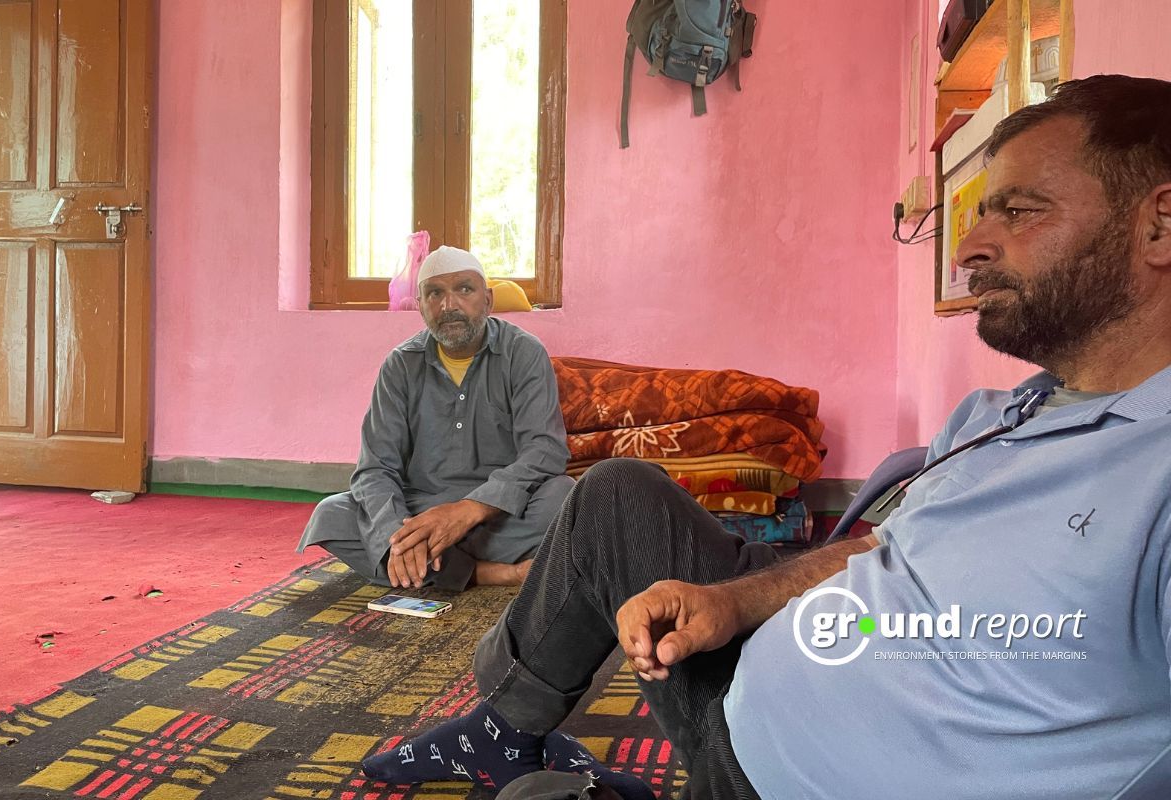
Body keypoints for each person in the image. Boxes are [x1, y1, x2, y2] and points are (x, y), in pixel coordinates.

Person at [360, 74, 1171, 799]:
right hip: (749, 682)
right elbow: (879, 554)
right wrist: (731, 602)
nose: (968, 247)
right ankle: (507, 727)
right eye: (981, 212)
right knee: (614, 493)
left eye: (1020, 212)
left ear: (1160, 225)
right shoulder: (996, 416)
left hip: (777, 776)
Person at [298, 246, 573, 591]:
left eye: (464, 289)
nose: (449, 305)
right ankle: (493, 572)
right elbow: (375, 468)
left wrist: (467, 511)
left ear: (487, 300)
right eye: (435, 293)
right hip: (421, 508)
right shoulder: (400, 366)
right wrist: (396, 534)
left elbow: (545, 451)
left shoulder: (524, 353)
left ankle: (427, 566)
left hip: (498, 512)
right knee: (332, 515)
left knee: (563, 498)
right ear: (421, 305)